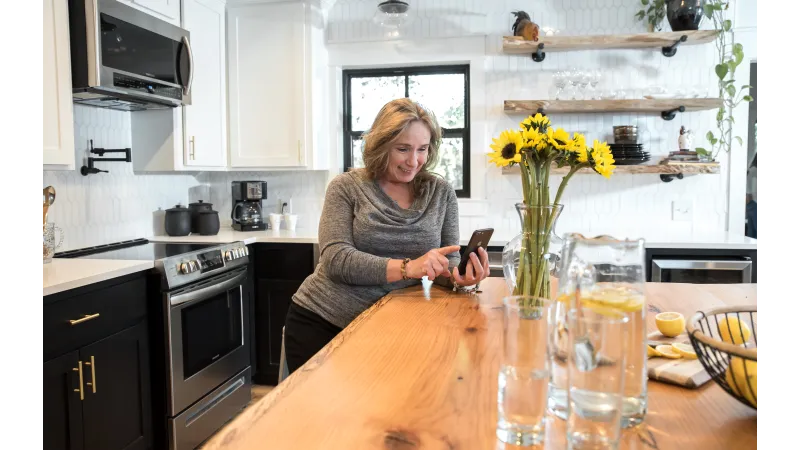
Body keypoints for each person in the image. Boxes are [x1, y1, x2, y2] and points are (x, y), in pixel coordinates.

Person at [283, 98, 490, 374]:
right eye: (402, 149)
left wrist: (458, 278)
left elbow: (445, 263)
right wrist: (409, 267)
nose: (414, 161)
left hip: (388, 326)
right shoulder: (346, 187)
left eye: (422, 149)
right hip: (323, 321)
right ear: (381, 145)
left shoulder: (441, 193)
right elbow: (335, 258)